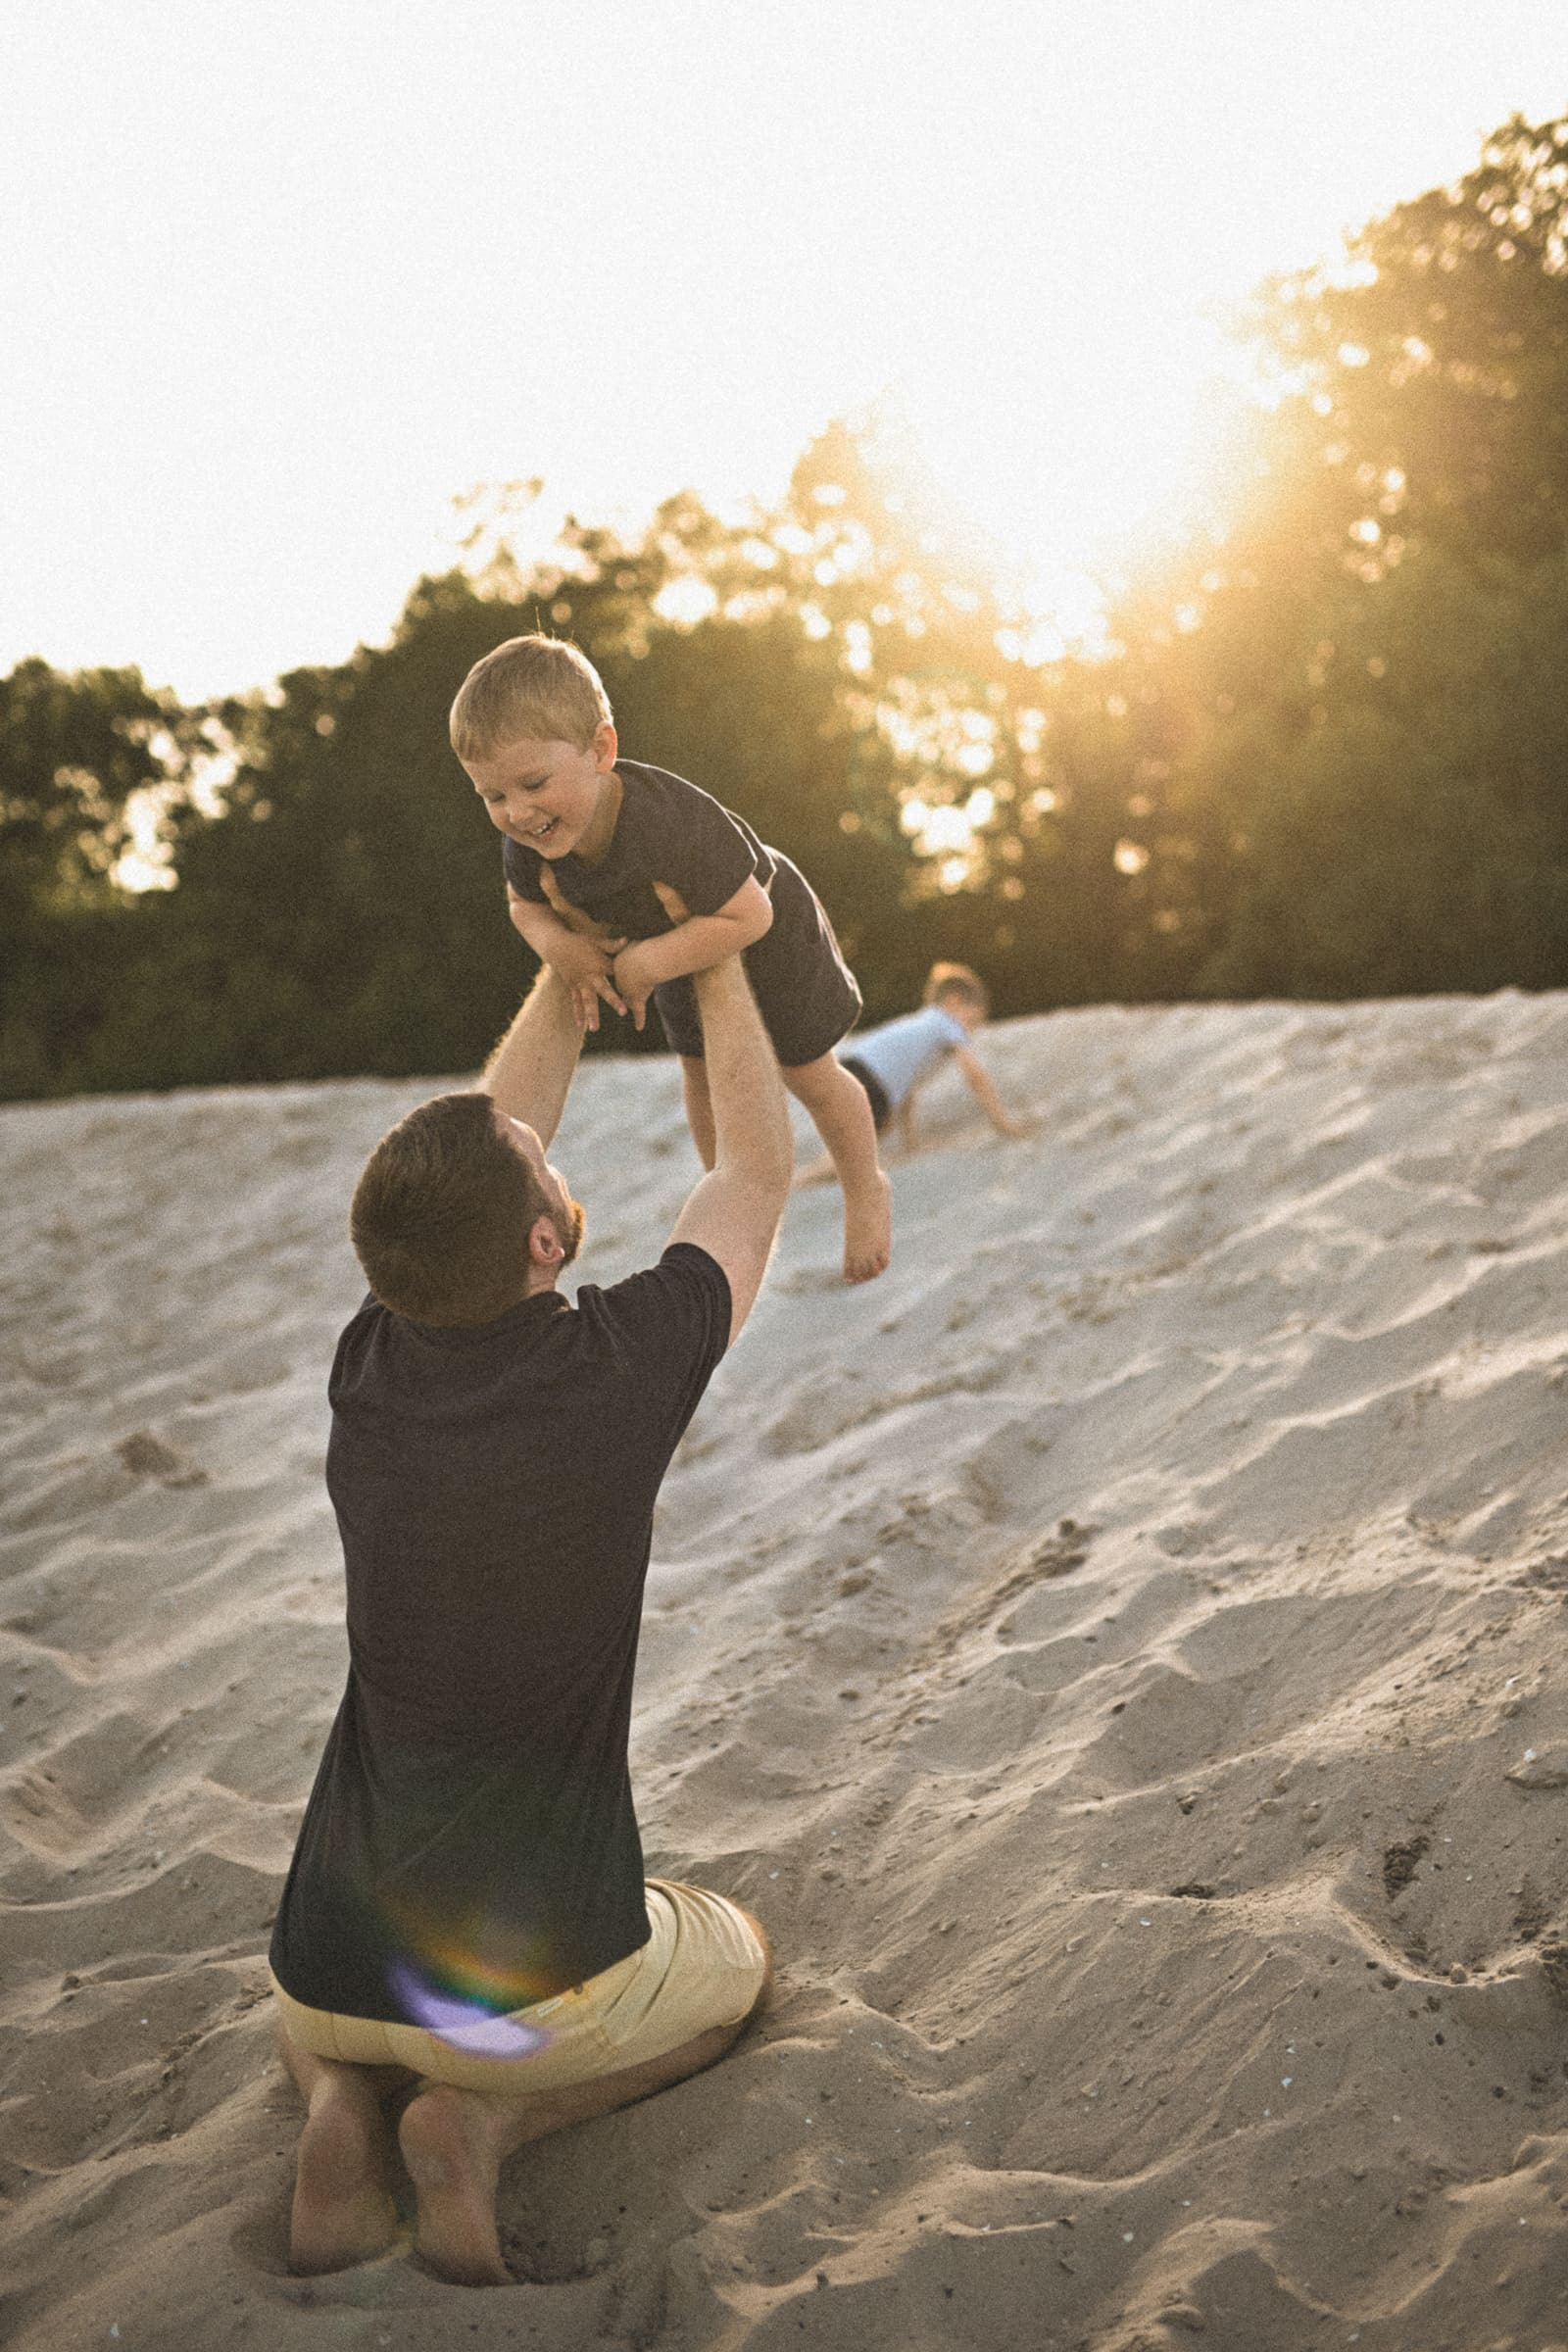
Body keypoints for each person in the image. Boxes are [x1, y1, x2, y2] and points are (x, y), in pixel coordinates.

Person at [267, 951, 793, 2288]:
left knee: (314, 2010)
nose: (544, 1149)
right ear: (545, 1242)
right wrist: (723, 964)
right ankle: (487, 2126)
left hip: (326, 1966)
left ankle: (341, 2106)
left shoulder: (370, 1361)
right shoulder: (613, 1369)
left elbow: (481, 1151)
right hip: (534, 1989)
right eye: (540, 1163)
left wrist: (564, 978)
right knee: (732, 1963)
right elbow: (752, 1175)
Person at [449, 632, 891, 1284]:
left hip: (766, 924)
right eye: (493, 796)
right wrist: (564, 950)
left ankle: (866, 1184)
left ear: (602, 750)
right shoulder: (531, 839)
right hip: (674, 939)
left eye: (533, 783)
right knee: (699, 1074)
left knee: (810, 1074)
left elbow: (750, 915)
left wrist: (649, 964)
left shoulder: (669, 821)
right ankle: (730, 1194)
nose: (517, 812)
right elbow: (525, 907)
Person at [795, 961, 1029, 1188]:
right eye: (971, 1021)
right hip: (868, 1079)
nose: (970, 1031)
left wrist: (911, 1142)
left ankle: (811, 1173)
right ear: (953, 1001)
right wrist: (1002, 1122)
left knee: (874, 1131)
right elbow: (975, 1076)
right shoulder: (945, 1022)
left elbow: (906, 1089)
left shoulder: (924, 1022)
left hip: (856, 1070)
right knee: (848, 1157)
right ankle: (796, 1183)